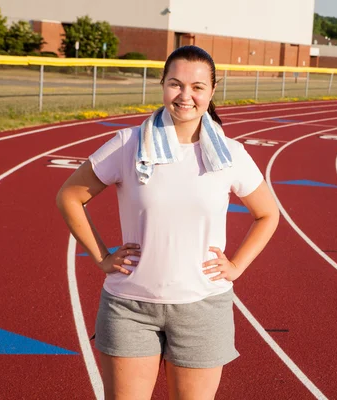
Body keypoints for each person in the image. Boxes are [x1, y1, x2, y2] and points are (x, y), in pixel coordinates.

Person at [56, 45, 279, 400]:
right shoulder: (127, 144)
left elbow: (268, 214)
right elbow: (69, 196)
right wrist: (101, 256)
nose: (185, 95)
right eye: (175, 84)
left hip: (203, 308)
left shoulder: (231, 154)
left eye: (197, 87)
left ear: (212, 91)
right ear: (162, 85)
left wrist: (236, 265)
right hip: (130, 307)